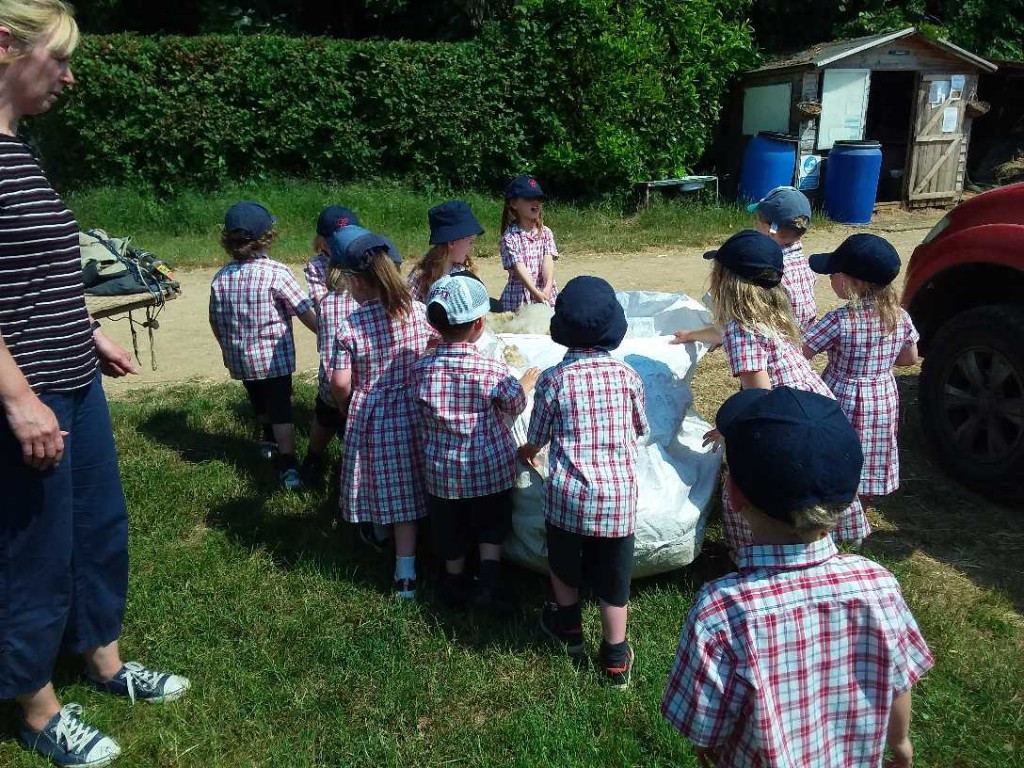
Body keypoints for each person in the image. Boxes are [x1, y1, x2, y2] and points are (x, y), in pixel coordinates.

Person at [0, 3, 188, 765]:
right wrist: (16, 400)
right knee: (31, 552)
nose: (69, 76)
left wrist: (88, 332)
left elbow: (31, 274)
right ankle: (36, 707)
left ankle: (103, 661)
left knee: (95, 531)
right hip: (26, 395)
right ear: (4, 46)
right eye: (59, 58)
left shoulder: (15, 149)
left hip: (71, 378)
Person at [662, 386, 933, 768]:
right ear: (849, 494)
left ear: (734, 495)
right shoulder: (879, 585)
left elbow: (702, 728)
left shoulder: (721, 611)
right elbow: (898, 679)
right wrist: (900, 742)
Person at [671, 230, 869, 551]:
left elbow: (759, 394)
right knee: (815, 466)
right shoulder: (767, 309)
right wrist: (692, 334)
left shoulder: (741, 333)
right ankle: (822, 532)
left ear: (726, 282)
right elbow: (721, 329)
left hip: (781, 410)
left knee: (759, 471)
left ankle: (752, 549)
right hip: (812, 401)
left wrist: (729, 429)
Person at [518, 276, 649, 688]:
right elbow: (640, 427)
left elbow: (537, 435)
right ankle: (614, 657)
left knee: (564, 566)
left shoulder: (554, 381)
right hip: (617, 499)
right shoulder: (627, 376)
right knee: (614, 582)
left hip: (568, 497)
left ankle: (569, 630)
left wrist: (527, 451)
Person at [413, 274, 539, 609]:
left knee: (449, 528)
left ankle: (452, 581)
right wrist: (524, 385)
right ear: (480, 323)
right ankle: (490, 580)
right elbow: (514, 404)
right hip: (488, 470)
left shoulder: (422, 367)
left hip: (442, 472)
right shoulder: (490, 369)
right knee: (491, 525)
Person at [329, 226, 437, 599]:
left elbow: (340, 382)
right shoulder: (418, 312)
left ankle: (385, 544)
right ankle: (406, 570)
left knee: (380, 478)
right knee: (409, 483)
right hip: (414, 408)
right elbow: (433, 347)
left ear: (357, 282)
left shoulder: (351, 325)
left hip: (373, 410)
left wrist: (347, 406)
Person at [803, 234, 920, 505]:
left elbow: (801, 354)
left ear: (855, 282)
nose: (829, 277)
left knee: (838, 448)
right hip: (882, 396)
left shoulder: (839, 320)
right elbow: (909, 358)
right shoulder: (900, 316)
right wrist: (878, 363)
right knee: (871, 450)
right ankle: (861, 510)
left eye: (834, 273)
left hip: (842, 394)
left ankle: (835, 507)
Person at [209, 200, 318, 490]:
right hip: (273, 359)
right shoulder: (276, 273)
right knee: (280, 406)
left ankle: (267, 439)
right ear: (267, 237)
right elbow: (303, 308)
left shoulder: (221, 278)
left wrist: (225, 349)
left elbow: (215, 319)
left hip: (240, 359)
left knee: (257, 398)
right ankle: (288, 464)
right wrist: (324, 331)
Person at [302, 226, 394, 485]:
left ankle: (312, 459)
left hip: (334, 384)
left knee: (324, 417)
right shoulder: (385, 302)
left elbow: (325, 347)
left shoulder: (329, 303)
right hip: (368, 390)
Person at [749, 185, 818, 332]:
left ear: (770, 230)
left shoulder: (769, 266)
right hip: (804, 338)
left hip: (779, 336)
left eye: (758, 220)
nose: (755, 225)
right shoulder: (803, 262)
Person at [499, 174, 558, 312]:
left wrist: (548, 286)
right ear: (514, 204)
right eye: (529, 198)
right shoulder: (510, 237)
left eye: (539, 198)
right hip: (519, 299)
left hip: (545, 293)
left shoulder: (546, 233)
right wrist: (534, 292)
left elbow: (548, 262)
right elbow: (519, 268)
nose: (535, 202)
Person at [407, 200, 484, 303]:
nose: (472, 247)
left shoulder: (466, 272)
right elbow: (409, 310)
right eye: (470, 242)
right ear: (451, 242)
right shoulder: (421, 276)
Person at [304, 204, 360, 306]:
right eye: (339, 242)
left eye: (350, 239)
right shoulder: (316, 266)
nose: (345, 245)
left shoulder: (362, 258)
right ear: (323, 243)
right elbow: (320, 302)